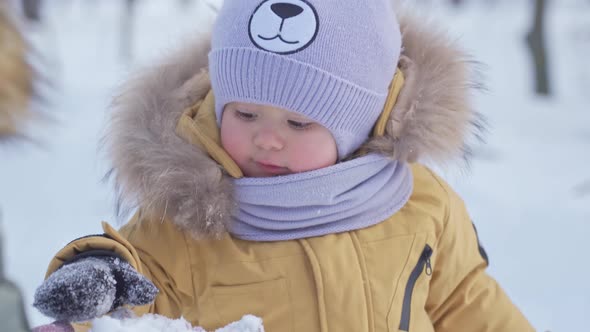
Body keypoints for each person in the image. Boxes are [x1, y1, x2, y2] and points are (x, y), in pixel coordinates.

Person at [33, 1, 535, 331]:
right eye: (246, 114)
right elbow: (138, 277)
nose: (267, 140)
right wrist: (99, 279)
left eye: (300, 124)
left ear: (358, 125)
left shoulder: (418, 203)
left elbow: (465, 302)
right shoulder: (192, 219)